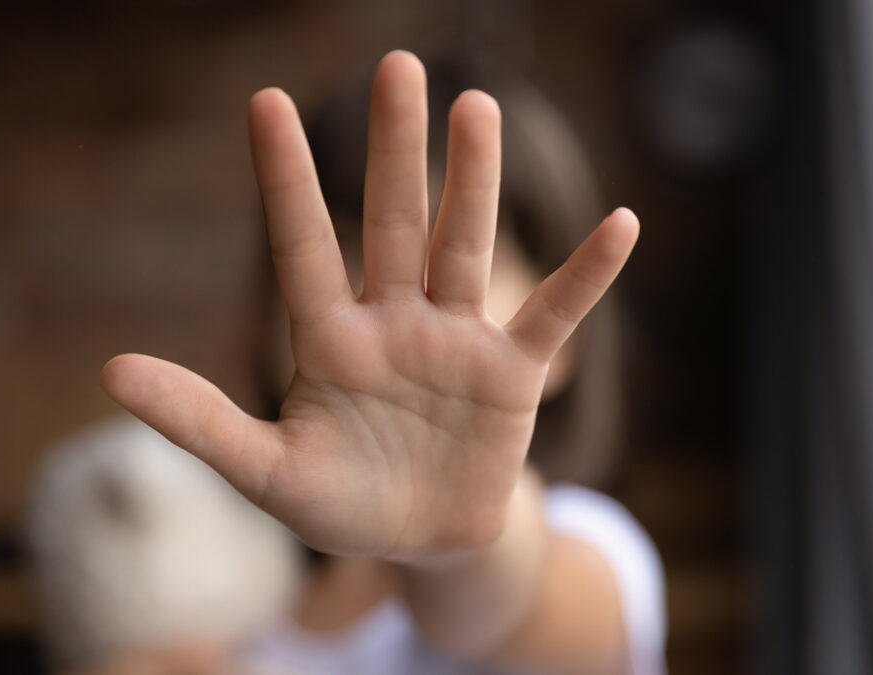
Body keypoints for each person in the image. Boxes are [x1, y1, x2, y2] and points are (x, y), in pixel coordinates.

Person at [39, 50, 666, 674]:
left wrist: (453, 545)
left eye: (452, 272)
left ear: (566, 340)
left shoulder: (594, 549)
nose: (393, 321)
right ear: (261, 310)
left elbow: (528, 615)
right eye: (347, 256)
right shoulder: (237, 596)